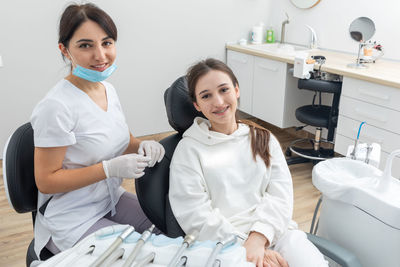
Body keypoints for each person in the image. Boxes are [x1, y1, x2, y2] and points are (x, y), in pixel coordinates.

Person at [30, 3, 164, 258]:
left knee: (168, 229)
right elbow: (46, 181)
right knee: (143, 257)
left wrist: (144, 146)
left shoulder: (107, 89)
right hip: (72, 215)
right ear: (64, 50)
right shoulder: (56, 106)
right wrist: (108, 169)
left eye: (107, 42)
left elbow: (120, 140)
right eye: (85, 45)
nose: (101, 55)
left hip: (108, 200)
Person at [168, 58, 328, 267]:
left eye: (224, 90)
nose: (218, 101)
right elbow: (195, 215)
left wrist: (259, 238)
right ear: (197, 105)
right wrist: (246, 247)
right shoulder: (188, 150)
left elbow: (281, 196)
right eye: (206, 96)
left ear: (236, 90)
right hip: (225, 245)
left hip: (276, 233)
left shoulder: (263, 138)